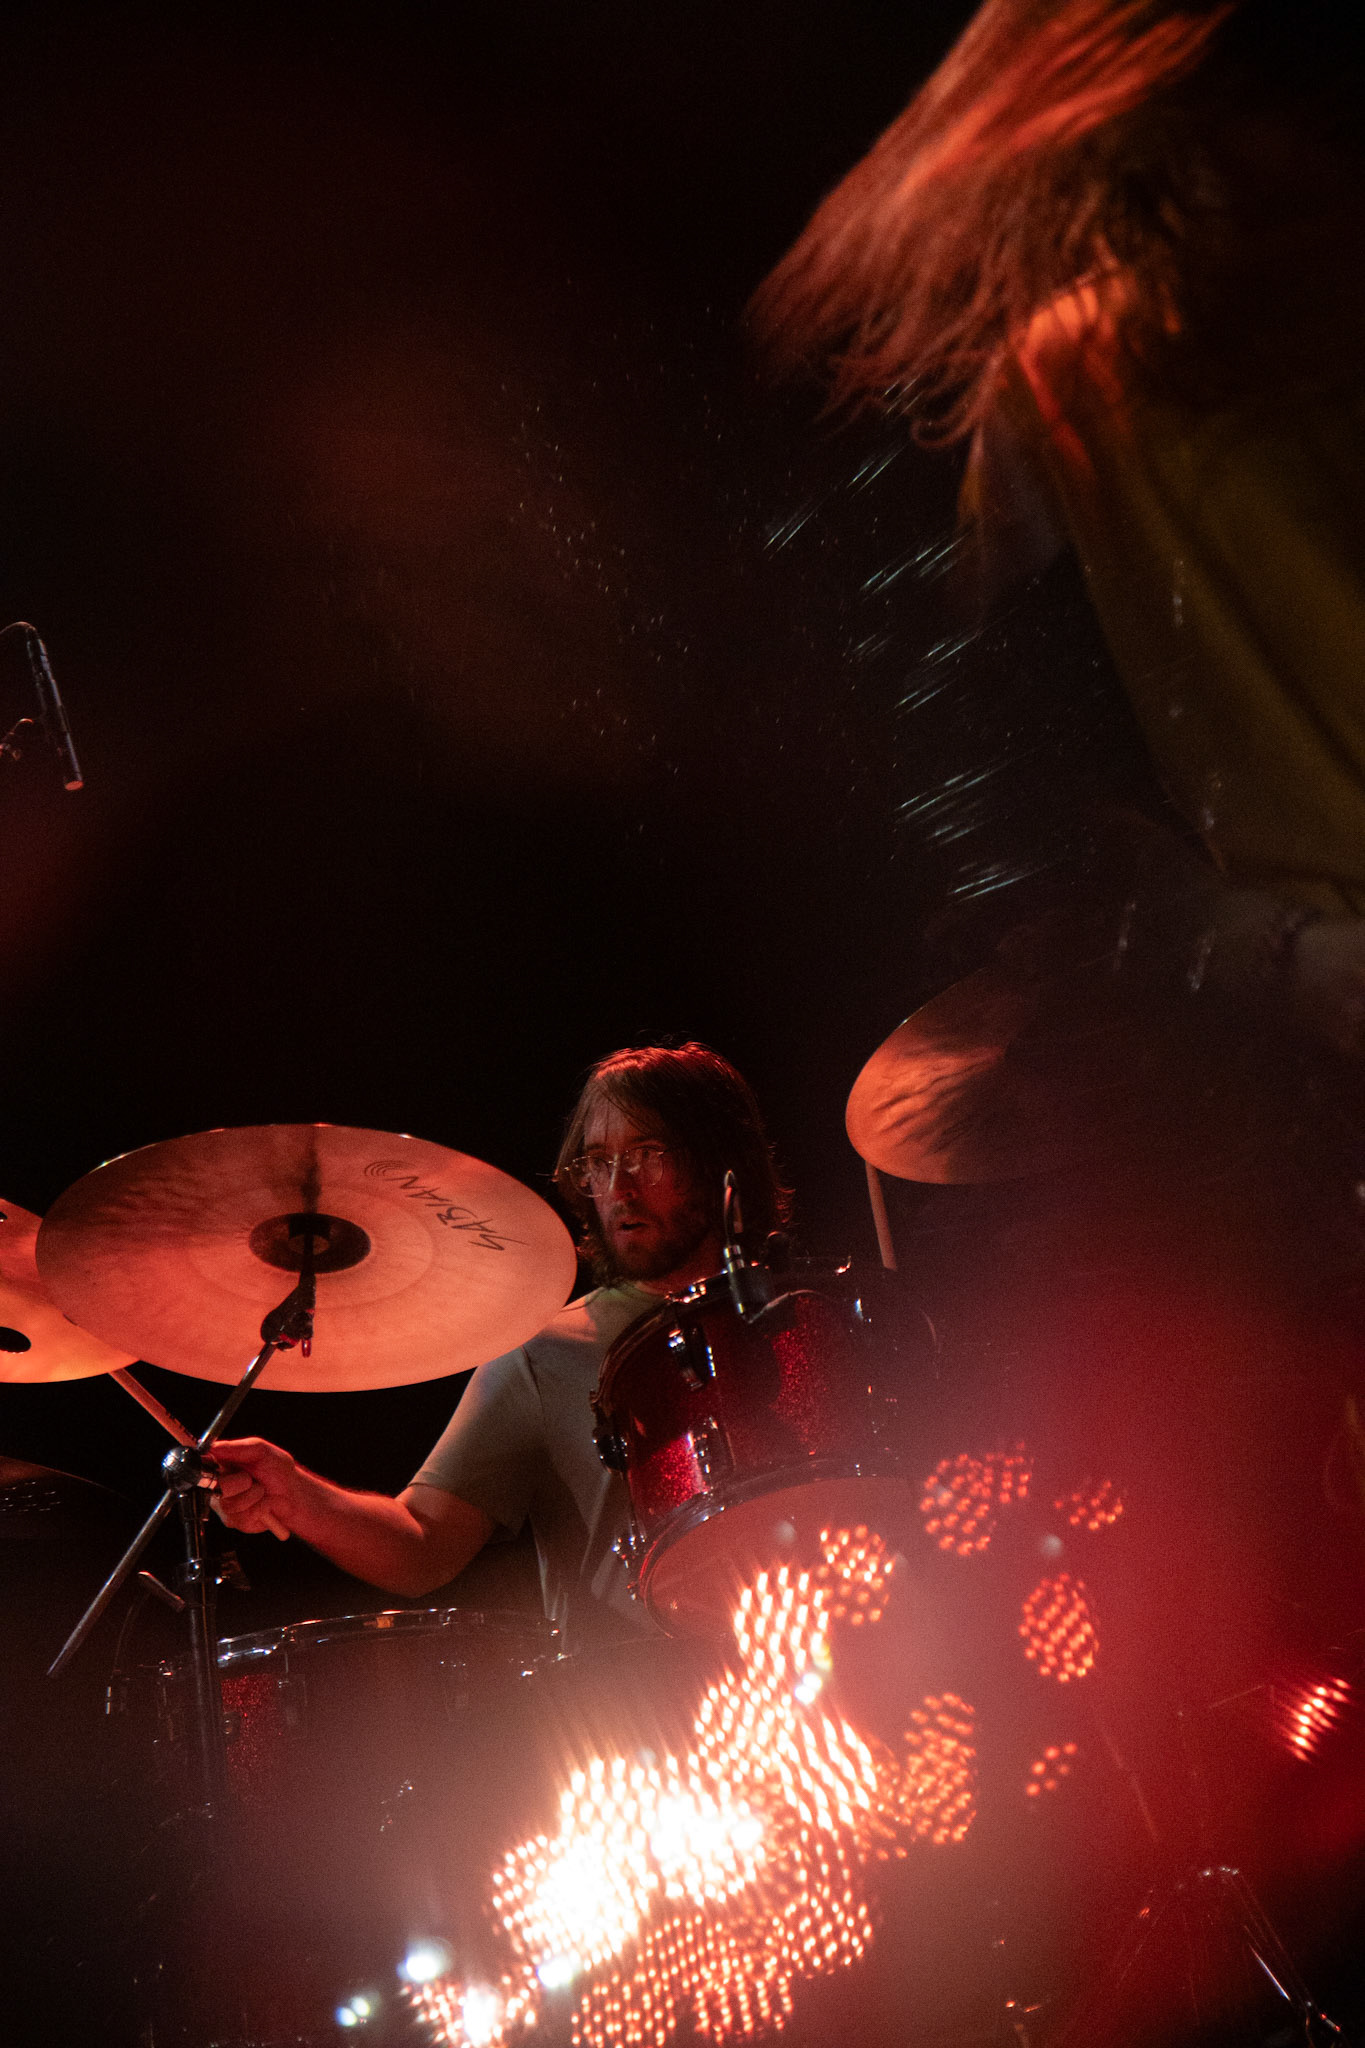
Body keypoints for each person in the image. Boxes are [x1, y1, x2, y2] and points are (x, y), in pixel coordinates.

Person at [754, 0, 1365, 1058]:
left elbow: (976, 747)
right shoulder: (1066, 378)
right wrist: (1255, 946)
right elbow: (981, 750)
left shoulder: (1066, 373)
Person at [211, 1042, 789, 1646]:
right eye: (597, 1162)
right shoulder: (543, 1352)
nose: (618, 1187)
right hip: (643, 1697)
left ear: (720, 1162)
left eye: (646, 1154)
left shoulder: (806, 1315)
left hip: (825, 1675)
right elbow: (420, 1547)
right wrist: (298, 1496)